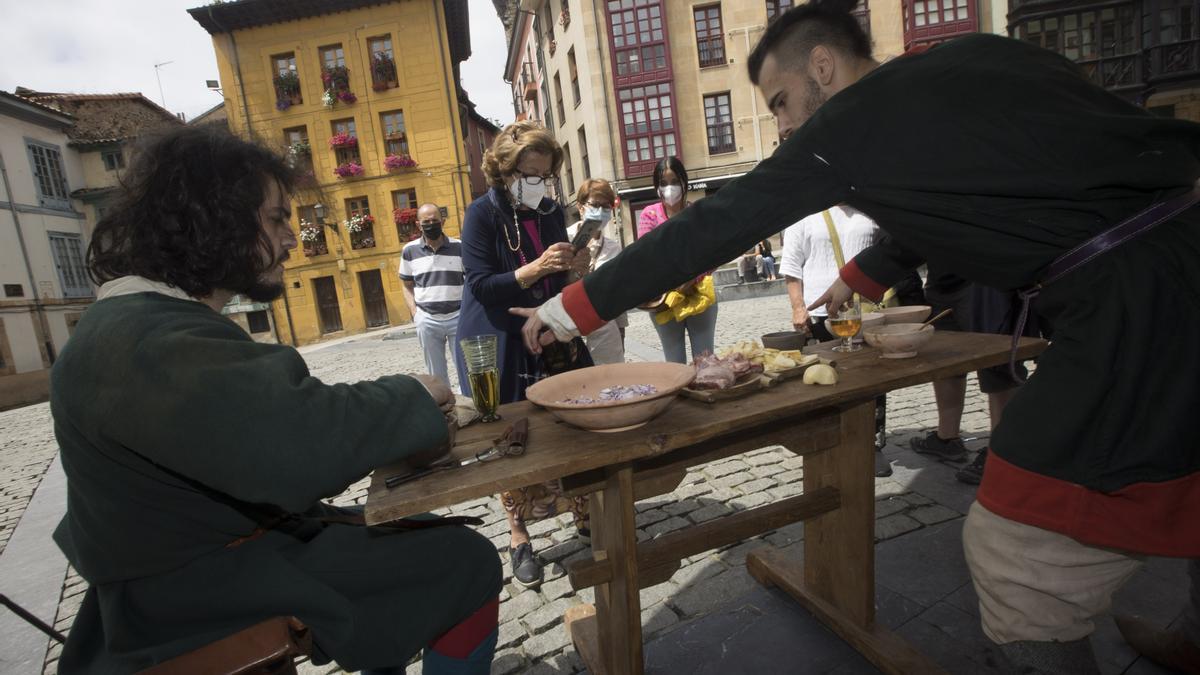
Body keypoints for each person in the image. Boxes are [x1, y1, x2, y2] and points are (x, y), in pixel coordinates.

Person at [515, 3, 1200, 672]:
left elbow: (714, 224)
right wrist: (862, 273)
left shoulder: (850, 121)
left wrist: (569, 307)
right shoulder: (973, 55)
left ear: (824, 66)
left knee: (1018, 545)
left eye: (781, 102)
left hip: (1139, 305)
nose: (782, 125)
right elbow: (970, 194)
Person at [51, 126, 501, 674]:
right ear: (215, 220)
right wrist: (414, 395)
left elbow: (258, 415)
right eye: (276, 218)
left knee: (407, 548)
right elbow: (299, 445)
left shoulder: (143, 321)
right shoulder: (145, 338)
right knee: (466, 562)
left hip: (203, 567)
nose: (292, 238)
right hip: (192, 593)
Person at [455, 121, 591, 588]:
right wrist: (534, 269)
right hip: (498, 339)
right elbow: (479, 284)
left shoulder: (551, 210)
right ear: (506, 170)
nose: (538, 184)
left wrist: (575, 268)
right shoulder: (481, 214)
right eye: (530, 175)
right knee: (511, 435)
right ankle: (518, 534)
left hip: (549, 330)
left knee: (572, 419)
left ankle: (582, 508)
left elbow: (562, 275)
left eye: (545, 175)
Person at [781, 204, 896, 477]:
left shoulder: (869, 208)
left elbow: (891, 251)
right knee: (828, 378)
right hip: (823, 313)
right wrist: (799, 307)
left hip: (867, 310)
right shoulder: (804, 212)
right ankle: (830, 442)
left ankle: (873, 443)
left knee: (873, 378)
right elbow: (791, 269)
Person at [909, 270, 1029, 485]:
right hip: (941, 281)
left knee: (998, 365)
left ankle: (1000, 453)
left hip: (987, 282)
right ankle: (946, 438)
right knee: (945, 361)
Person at [637, 156, 718, 363]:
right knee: (674, 362)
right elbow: (648, 256)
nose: (669, 188)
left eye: (674, 181)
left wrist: (690, 279)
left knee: (705, 360)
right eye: (663, 183)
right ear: (656, 187)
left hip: (699, 295)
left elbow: (711, 255)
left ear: (684, 182)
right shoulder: (649, 215)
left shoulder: (697, 214)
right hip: (665, 300)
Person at [399, 203, 464, 387]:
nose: (431, 224)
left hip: (457, 318)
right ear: (418, 225)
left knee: (465, 369)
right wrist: (415, 314)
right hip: (427, 320)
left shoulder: (459, 247)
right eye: (426, 221)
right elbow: (406, 285)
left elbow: (469, 281)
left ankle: (470, 407)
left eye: (435, 220)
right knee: (436, 375)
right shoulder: (409, 251)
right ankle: (446, 412)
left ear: (442, 222)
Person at [566, 178, 627, 364]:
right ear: (581, 206)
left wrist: (621, 331)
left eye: (606, 206)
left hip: (604, 330)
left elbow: (618, 296)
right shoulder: (563, 238)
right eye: (595, 205)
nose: (600, 211)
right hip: (569, 327)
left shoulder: (613, 248)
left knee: (610, 382)